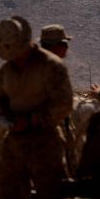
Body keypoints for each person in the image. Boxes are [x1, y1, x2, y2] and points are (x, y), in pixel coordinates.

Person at [0, 17, 73, 199]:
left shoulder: (51, 66)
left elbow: (64, 103)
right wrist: (6, 119)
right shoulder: (7, 70)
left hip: (44, 142)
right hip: (14, 142)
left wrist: (31, 121)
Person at [40, 24, 80, 173]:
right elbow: (65, 103)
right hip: (54, 127)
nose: (66, 48)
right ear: (56, 46)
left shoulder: (31, 66)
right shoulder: (56, 68)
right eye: (64, 44)